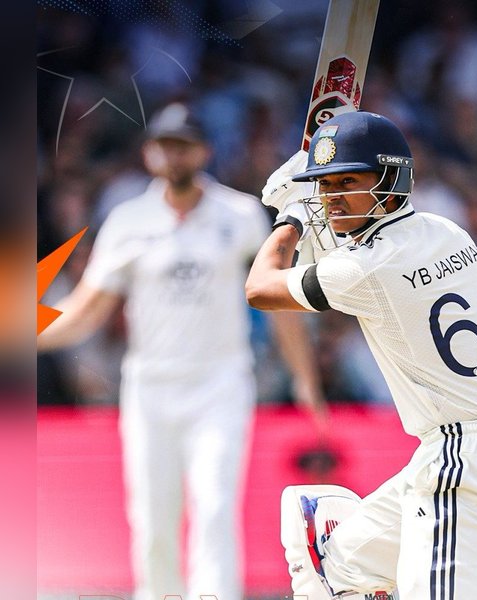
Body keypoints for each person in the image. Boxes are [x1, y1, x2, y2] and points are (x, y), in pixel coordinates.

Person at [245, 110, 477, 599]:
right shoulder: (447, 232)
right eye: (323, 185)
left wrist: (291, 219)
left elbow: (260, 289)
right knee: (335, 568)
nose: (331, 197)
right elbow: (351, 262)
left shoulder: (366, 270)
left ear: (390, 179)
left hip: (464, 461)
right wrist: (320, 213)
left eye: (348, 181)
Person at [37, 102, 327, 600]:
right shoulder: (129, 220)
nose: (174, 155)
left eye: (184, 145)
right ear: (150, 153)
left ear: (204, 151)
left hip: (220, 383)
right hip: (150, 387)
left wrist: (305, 379)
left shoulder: (238, 215)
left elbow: (275, 301)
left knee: (214, 506)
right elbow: (88, 308)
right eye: (164, 145)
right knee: (152, 515)